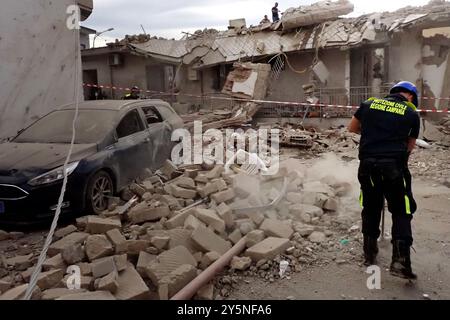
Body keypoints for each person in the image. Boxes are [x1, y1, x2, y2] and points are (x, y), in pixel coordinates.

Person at [348, 81, 421, 280]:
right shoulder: (411, 113)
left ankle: (369, 253)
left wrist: (373, 135)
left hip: (368, 167)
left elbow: (352, 128)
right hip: (394, 168)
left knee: (371, 206)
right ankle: (400, 260)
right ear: (411, 96)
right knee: (401, 209)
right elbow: (410, 146)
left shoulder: (369, 103)